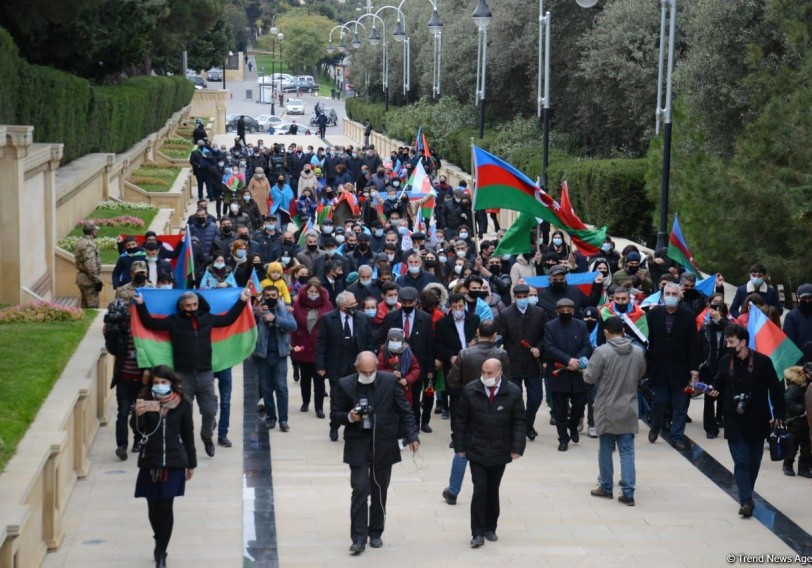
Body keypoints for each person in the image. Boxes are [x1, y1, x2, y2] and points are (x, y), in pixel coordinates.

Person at [133, 288, 251, 457]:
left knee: (210, 411)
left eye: (195, 304)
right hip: (182, 375)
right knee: (182, 412)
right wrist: (141, 303)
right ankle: (183, 444)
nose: (192, 308)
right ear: (181, 307)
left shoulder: (207, 319)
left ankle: (206, 436)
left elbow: (228, 320)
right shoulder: (174, 321)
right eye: (188, 305)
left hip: (205, 374)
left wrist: (242, 300)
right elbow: (150, 324)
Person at [330, 351, 420, 554]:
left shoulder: (388, 382)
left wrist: (412, 436)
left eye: (372, 371)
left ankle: (376, 531)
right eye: (364, 372)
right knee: (360, 488)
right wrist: (350, 417)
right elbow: (335, 415)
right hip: (358, 444)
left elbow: (405, 410)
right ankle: (358, 537)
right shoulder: (345, 385)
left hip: (383, 443)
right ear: (356, 368)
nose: (368, 375)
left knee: (380, 489)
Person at [708, 325, 785, 517]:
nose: (728, 345)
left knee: (754, 462)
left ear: (743, 342)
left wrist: (779, 414)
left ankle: (747, 492)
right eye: (727, 341)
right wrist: (712, 389)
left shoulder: (762, 362)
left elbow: (776, 389)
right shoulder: (725, 361)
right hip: (733, 418)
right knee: (741, 462)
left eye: (732, 341)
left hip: (758, 419)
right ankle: (745, 500)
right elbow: (718, 382)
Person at [453, 358, 525, 548]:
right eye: (483, 372)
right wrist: (460, 446)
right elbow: (460, 421)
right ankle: (477, 532)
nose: (485, 376)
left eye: (490, 373)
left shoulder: (512, 392)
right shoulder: (471, 390)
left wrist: (517, 447)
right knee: (480, 488)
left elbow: (519, 421)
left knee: (493, 489)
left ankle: (490, 527)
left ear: (500, 373)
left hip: (500, 449)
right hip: (476, 448)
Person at [132, 365, 196, 568]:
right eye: (156, 383)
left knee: (166, 505)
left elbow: (188, 434)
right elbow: (138, 431)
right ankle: (159, 536)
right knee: (153, 506)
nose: (160, 386)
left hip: (174, 461)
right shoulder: (145, 401)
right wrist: (137, 415)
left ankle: (161, 551)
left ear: (171, 383)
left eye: (163, 382)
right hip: (151, 460)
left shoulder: (182, 404)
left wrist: (191, 463)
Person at [442, 320, 509, 506]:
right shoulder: (501, 354)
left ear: (478, 332)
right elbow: (507, 380)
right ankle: (488, 488)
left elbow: (453, 381)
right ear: (495, 335)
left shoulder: (465, 353)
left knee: (461, 446)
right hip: (494, 405)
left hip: (467, 403)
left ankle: (453, 490)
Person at [584, 316, 647, 506]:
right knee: (627, 450)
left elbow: (589, 377)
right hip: (629, 406)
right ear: (623, 330)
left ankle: (606, 486)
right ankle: (628, 492)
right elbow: (641, 373)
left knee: (605, 448)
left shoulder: (601, 352)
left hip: (606, 406)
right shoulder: (637, 351)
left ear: (606, 332)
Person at [646, 283, 700, 451]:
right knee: (659, 402)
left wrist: (694, 368)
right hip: (658, 367)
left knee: (680, 406)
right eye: (667, 293)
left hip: (681, 369)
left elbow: (694, 344)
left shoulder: (688, 316)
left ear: (679, 296)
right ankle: (656, 426)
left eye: (674, 293)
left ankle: (676, 436)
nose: (670, 296)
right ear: (662, 295)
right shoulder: (653, 314)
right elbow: (648, 339)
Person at [316, 291, 375, 441]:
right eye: (351, 304)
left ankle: (357, 426)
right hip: (337, 366)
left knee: (360, 397)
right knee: (336, 398)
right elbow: (322, 343)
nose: (354, 306)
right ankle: (334, 426)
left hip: (358, 366)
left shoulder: (363, 318)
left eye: (355, 303)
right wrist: (321, 366)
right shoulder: (328, 319)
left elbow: (369, 342)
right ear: (342, 306)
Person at [380, 286, 436, 433]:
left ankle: (414, 425)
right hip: (394, 366)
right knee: (397, 398)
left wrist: (430, 369)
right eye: (404, 302)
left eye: (410, 303)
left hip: (417, 367)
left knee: (416, 398)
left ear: (416, 302)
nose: (407, 306)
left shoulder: (425, 318)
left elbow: (430, 345)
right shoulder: (391, 318)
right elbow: (383, 343)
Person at [496, 284, 546, 441]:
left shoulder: (539, 313)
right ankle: (518, 427)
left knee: (536, 397)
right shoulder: (506, 314)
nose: (523, 300)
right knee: (515, 398)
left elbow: (546, 336)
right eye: (520, 297)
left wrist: (539, 348)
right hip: (513, 363)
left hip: (533, 363)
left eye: (526, 297)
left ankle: (528, 423)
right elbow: (500, 338)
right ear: (514, 298)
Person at [544, 298, 593, 451]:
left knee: (579, 405)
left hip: (577, 372)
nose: (566, 313)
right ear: (557, 311)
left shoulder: (581, 325)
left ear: (573, 311)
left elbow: (587, 345)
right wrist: (568, 360)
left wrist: (576, 361)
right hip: (559, 372)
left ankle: (573, 427)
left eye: (568, 310)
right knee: (560, 409)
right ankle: (563, 438)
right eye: (562, 310)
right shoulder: (549, 326)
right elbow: (549, 347)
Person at [254, 285, 298, 432]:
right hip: (262, 354)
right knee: (266, 389)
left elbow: (293, 325)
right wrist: (256, 314)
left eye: (274, 295)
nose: (271, 298)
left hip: (280, 354)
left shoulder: (285, 309)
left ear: (278, 296)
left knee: (281, 388)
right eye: (268, 295)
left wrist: (275, 319)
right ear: (263, 296)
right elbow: (248, 326)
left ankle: (283, 420)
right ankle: (271, 418)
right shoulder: (258, 310)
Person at [290, 279, 333, 418]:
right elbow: (293, 325)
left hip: (320, 347)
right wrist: (293, 344)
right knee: (305, 378)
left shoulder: (327, 305)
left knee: (319, 379)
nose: (313, 294)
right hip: (303, 346)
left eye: (316, 292)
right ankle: (305, 402)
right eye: (311, 292)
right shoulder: (297, 305)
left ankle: (319, 407)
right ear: (306, 291)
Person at [74, 221, 102, 308]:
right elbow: (90, 265)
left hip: (84, 279)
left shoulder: (81, 241)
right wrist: (97, 281)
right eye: (95, 230)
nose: (96, 232)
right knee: (93, 308)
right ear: (93, 231)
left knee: (85, 307)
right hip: (89, 280)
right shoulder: (88, 245)